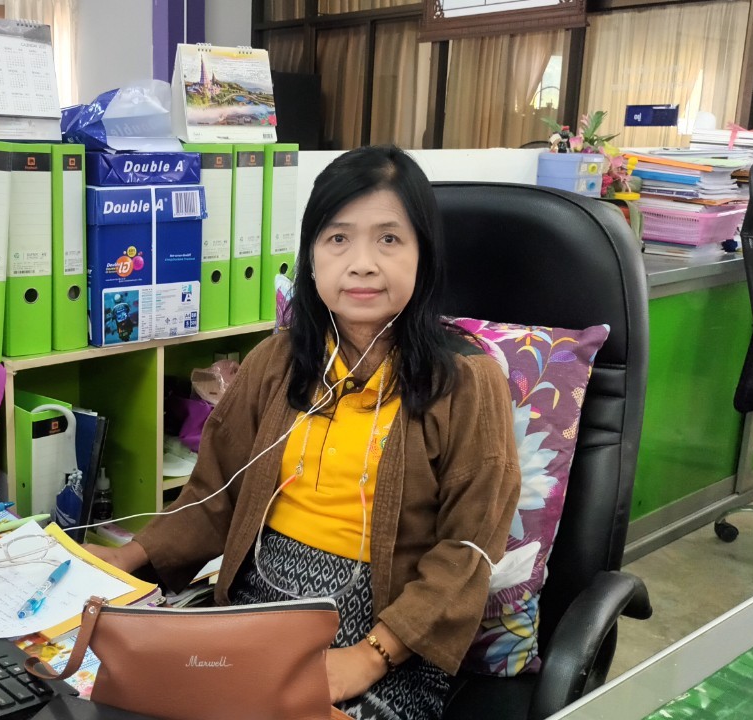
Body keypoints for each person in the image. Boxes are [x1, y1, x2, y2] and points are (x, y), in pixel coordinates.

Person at [87, 145, 520, 719]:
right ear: (311, 257)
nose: (362, 263)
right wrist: (129, 555)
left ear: (424, 255)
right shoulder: (277, 361)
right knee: (120, 692)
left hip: (388, 644)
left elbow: (466, 553)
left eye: (389, 239)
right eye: (338, 238)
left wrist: (369, 656)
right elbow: (214, 495)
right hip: (250, 615)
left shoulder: (466, 382)